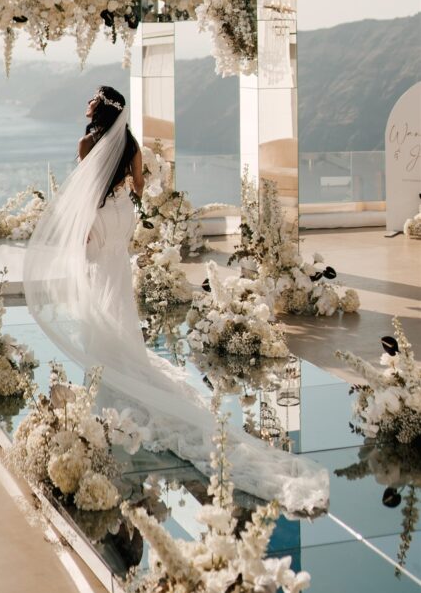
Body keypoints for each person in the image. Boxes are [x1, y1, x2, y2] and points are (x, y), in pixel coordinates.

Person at [23, 87, 328, 514]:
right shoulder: (129, 145)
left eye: (92, 102)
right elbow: (141, 187)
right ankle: (122, 362)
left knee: (99, 294)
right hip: (121, 218)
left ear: (100, 111)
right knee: (117, 291)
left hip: (100, 219)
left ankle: (111, 371)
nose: (87, 106)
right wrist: (123, 195)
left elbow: (82, 192)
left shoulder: (86, 143)